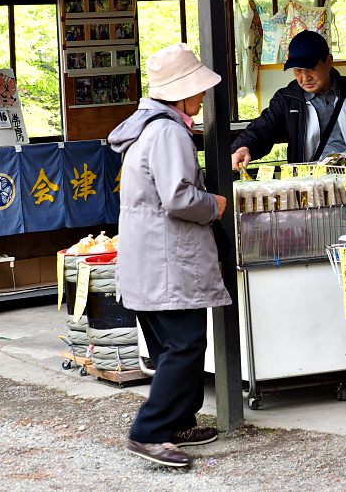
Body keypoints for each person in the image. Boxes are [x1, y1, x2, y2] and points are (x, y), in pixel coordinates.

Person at [108, 43, 231, 468]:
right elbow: (179, 198)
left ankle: (178, 421)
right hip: (168, 262)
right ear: (180, 93)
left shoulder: (145, 127)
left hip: (148, 261)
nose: (200, 98)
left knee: (170, 348)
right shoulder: (169, 131)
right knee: (185, 345)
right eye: (196, 91)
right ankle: (150, 431)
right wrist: (213, 204)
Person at [231, 30, 346, 168]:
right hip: (313, 183)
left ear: (328, 62)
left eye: (311, 69)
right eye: (298, 71)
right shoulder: (287, 99)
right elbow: (262, 128)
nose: (304, 78)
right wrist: (244, 147)